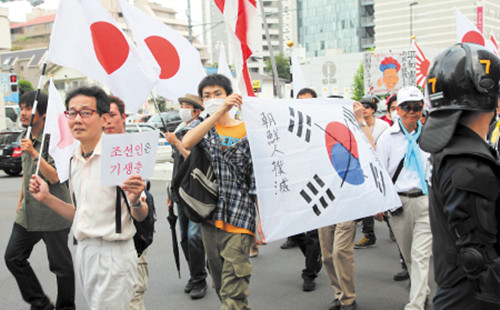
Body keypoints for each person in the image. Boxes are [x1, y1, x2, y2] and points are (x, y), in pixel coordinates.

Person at [28, 86, 148, 310]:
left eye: (85, 112)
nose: (77, 120)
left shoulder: (120, 155)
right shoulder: (75, 159)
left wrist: (135, 199)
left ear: (103, 118)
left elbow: (141, 214)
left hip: (114, 252)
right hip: (84, 251)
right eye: (71, 113)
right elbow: (78, 213)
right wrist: (46, 198)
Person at [420, 43, 500, 309]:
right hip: (473, 299)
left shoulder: (449, 149)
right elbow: (477, 258)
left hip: (455, 288)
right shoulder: (469, 163)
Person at [182, 74, 262, 309]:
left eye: (218, 94)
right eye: (207, 96)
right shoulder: (204, 128)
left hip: (240, 218)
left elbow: (256, 180)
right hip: (210, 219)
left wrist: (262, 221)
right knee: (221, 287)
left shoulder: (248, 130)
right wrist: (216, 112)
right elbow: (186, 142)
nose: (212, 99)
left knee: (233, 293)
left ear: (229, 95)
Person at [4, 91, 75, 310]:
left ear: (43, 113)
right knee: (13, 257)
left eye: (28, 108)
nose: (23, 113)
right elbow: (26, 174)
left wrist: (35, 153)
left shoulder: (54, 137)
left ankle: (65, 307)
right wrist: (20, 204)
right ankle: (41, 303)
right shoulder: (25, 135)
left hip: (53, 211)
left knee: (61, 267)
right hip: (28, 212)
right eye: (22, 108)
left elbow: (55, 176)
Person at [376, 86, 432, 310]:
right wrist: (379, 204)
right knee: (409, 255)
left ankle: (416, 304)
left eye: (417, 107)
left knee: (420, 256)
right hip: (399, 203)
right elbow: (380, 173)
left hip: (427, 200)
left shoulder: (431, 136)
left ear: (422, 109)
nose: (412, 112)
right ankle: (422, 290)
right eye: (407, 107)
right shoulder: (386, 138)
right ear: (397, 110)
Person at [318, 100, 376, 310]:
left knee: (341, 251)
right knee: (326, 255)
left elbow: (372, 149)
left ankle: (349, 298)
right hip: (324, 203)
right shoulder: (316, 132)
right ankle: (339, 292)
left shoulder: (352, 129)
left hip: (347, 201)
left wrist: (360, 120)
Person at [102, 95, 150, 310]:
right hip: (100, 246)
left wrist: (136, 202)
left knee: (133, 300)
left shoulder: (135, 151)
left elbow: (142, 210)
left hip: (131, 242)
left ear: (123, 117)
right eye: (101, 116)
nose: (107, 121)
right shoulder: (91, 153)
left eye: (111, 115)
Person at [166, 93, 208, 299]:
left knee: (194, 235)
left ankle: (200, 279)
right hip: (179, 191)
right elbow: (177, 166)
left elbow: (194, 160)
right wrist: (170, 191)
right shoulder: (180, 129)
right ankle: (195, 274)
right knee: (183, 237)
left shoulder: (201, 130)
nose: (182, 109)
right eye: (181, 105)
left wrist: (177, 144)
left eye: (186, 106)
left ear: (197, 111)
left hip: (195, 191)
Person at [354, 95, 389, 249]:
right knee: (366, 201)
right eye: (362, 107)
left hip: (381, 167)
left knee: (383, 199)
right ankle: (369, 234)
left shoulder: (383, 126)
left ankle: (393, 225)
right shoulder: (355, 125)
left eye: (367, 107)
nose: (364, 110)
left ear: (373, 110)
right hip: (363, 169)